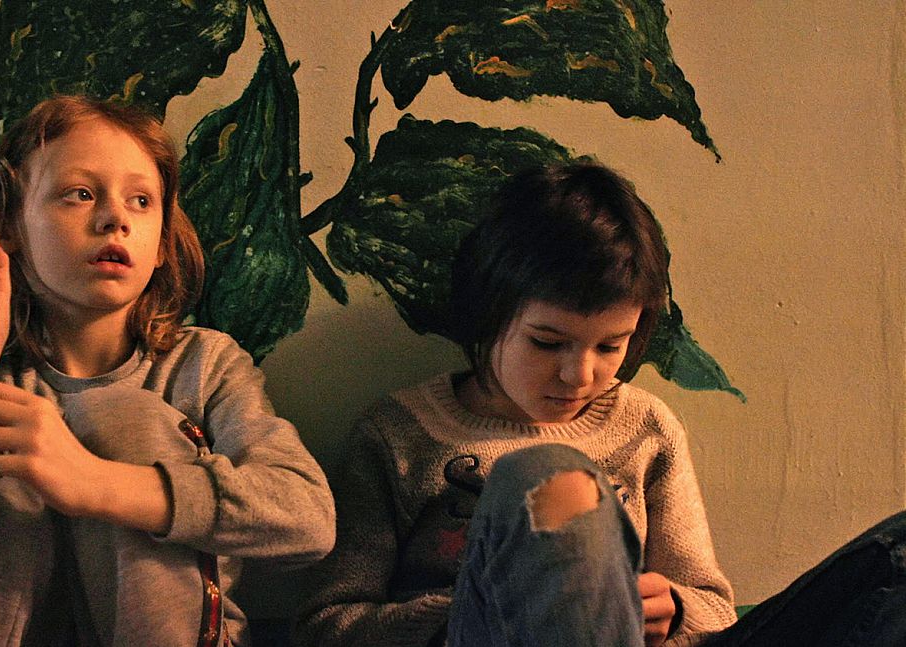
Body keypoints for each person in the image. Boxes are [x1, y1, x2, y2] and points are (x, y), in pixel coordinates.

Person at [293, 161, 906, 647]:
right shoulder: (400, 434)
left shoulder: (646, 426)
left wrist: (674, 608)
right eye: (547, 342)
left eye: (611, 346)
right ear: (489, 313)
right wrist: (503, 603)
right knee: (554, 477)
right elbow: (327, 626)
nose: (579, 375)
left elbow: (714, 607)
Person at [0, 95, 335, 646]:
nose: (115, 218)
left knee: (123, 416)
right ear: (12, 227)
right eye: (80, 194)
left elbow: (308, 518)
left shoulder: (206, 364)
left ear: (161, 244)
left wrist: (92, 482)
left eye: (141, 201)